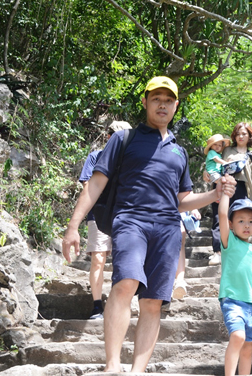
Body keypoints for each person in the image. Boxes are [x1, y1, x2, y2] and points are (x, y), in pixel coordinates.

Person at [62, 76, 236, 373]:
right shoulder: (124, 138)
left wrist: (214, 194)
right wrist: (73, 226)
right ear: (145, 102)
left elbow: (182, 200)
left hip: (168, 228)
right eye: (156, 98)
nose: (162, 105)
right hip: (130, 220)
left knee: (153, 302)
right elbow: (96, 183)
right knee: (125, 283)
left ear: (176, 105)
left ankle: (137, 371)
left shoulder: (179, 152)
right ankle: (112, 365)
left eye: (168, 100)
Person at [78, 120, 132, 320]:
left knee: (125, 261)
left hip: (126, 215)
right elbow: (87, 185)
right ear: (109, 137)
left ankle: (119, 304)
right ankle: (97, 305)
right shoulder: (95, 157)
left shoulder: (132, 159)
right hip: (99, 214)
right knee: (98, 259)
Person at [218, 183, 252, 376]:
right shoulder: (229, 242)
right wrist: (225, 194)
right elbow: (223, 215)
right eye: (240, 221)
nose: (246, 225)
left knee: (248, 347)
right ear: (231, 225)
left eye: (250, 221)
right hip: (233, 300)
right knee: (238, 336)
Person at [208, 122, 252, 266]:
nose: (241, 136)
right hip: (225, 185)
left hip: (244, 189)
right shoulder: (227, 150)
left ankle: (238, 252)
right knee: (218, 217)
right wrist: (207, 172)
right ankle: (218, 252)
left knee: (240, 219)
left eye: (244, 133)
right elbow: (214, 162)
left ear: (249, 136)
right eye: (238, 133)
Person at [172, 209, 202, 300]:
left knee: (180, 240)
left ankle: (179, 280)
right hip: (162, 207)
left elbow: (185, 194)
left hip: (180, 209)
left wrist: (193, 208)